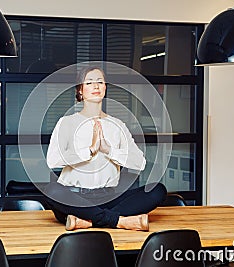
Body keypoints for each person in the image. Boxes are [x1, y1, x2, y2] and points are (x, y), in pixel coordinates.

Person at [45, 66, 167, 231]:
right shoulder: (66, 123)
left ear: (105, 88)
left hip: (109, 196)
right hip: (74, 198)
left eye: (100, 82)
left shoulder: (118, 125)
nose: (95, 86)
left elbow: (140, 163)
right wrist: (89, 151)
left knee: (157, 191)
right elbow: (53, 161)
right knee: (51, 190)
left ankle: (88, 221)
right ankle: (120, 221)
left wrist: (109, 150)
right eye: (89, 82)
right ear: (80, 91)